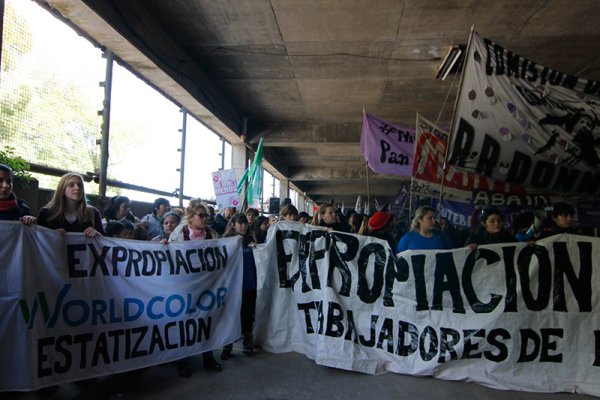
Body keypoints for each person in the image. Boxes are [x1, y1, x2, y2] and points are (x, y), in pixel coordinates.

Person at [169, 199, 222, 377]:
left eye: (207, 215)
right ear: (190, 217)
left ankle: (208, 357)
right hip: (184, 287)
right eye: (201, 215)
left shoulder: (213, 236)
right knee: (184, 323)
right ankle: (182, 361)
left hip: (207, 287)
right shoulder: (176, 237)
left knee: (207, 322)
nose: (205, 218)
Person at [221, 213, 257, 360]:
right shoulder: (226, 241)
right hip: (233, 286)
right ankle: (227, 346)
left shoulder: (251, 239)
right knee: (231, 316)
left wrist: (256, 248)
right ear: (233, 224)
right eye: (240, 223)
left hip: (249, 284)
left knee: (248, 315)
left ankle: (247, 344)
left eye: (245, 223)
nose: (243, 226)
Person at [37, 172, 104, 237]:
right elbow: (37, 239)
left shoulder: (93, 213)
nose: (77, 188)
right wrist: (51, 235)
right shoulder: (46, 213)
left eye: (80, 185)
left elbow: (106, 241)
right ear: (62, 190)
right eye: (71, 185)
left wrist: (97, 235)